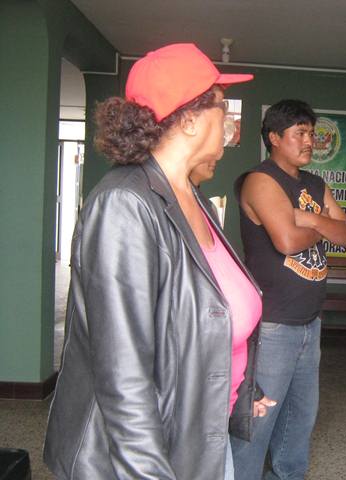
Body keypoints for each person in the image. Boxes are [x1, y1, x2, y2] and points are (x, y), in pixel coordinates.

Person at [43, 43, 274, 480]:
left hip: (200, 432)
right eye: (222, 106)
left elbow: (198, 311)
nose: (228, 120)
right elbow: (122, 373)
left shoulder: (190, 196)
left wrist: (242, 383)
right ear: (188, 120)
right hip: (151, 456)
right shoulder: (124, 204)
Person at [230, 99, 346, 479]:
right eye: (300, 133)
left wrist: (307, 218)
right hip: (274, 324)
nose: (309, 141)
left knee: (299, 421)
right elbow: (286, 241)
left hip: (309, 322)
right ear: (274, 137)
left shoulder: (314, 184)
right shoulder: (260, 180)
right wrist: (320, 225)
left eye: (311, 134)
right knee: (258, 422)